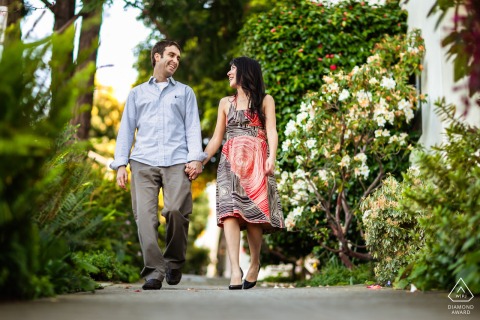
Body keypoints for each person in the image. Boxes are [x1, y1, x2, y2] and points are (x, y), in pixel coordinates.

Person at [110, 40, 205, 290]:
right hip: (142, 161)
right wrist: (120, 164)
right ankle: (154, 270)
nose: (175, 60)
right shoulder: (137, 93)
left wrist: (196, 157)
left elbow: (193, 127)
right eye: (171, 55)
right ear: (156, 56)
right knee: (144, 219)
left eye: (178, 58)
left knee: (176, 210)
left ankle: (174, 262)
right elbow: (127, 130)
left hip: (177, 161)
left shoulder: (185, 92)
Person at [186, 56, 285, 290]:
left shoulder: (265, 100)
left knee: (253, 218)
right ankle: (235, 269)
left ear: (245, 72)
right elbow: (216, 140)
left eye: (232, 69)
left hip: (257, 162)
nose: (229, 73)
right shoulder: (225, 103)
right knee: (229, 213)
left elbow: (272, 131)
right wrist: (199, 160)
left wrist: (272, 157)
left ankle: (255, 263)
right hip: (230, 163)